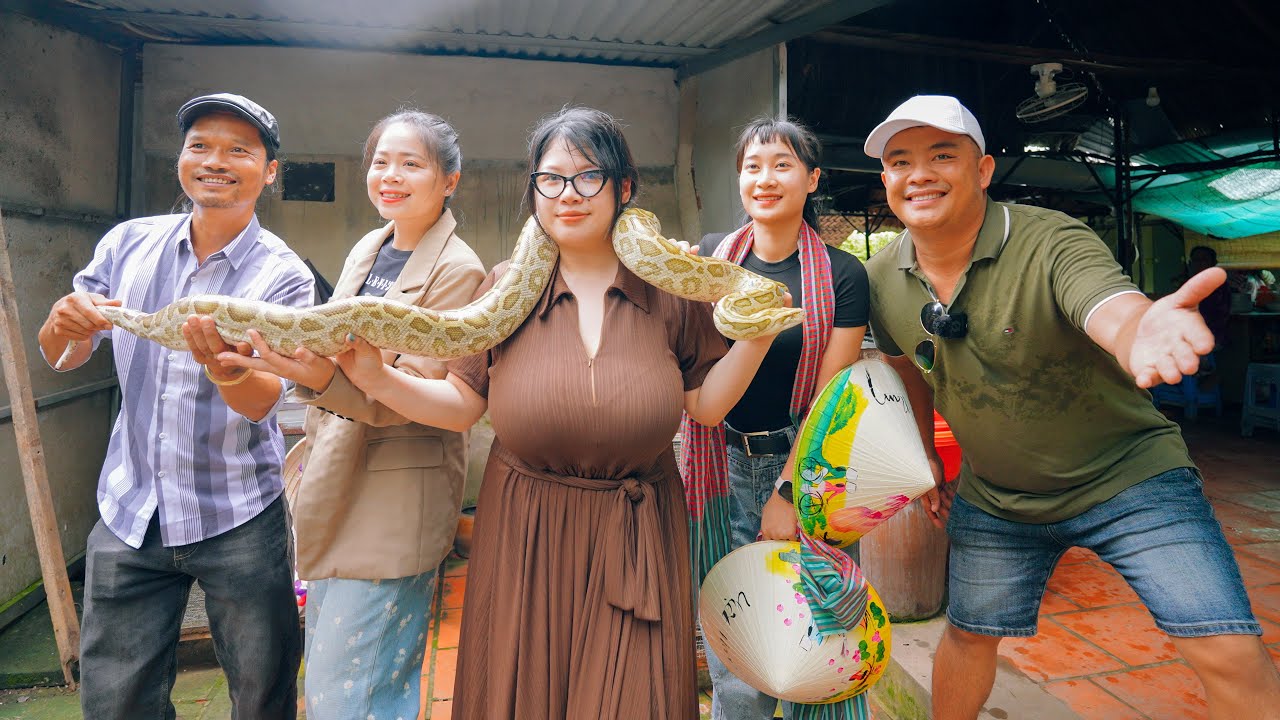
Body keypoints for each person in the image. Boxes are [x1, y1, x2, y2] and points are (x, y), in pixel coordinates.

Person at [330, 106, 779, 719]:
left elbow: (706, 406)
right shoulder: (504, 290)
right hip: (526, 533)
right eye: (551, 178)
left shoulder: (673, 291)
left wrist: (757, 335)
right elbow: (460, 405)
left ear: (624, 188)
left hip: (637, 534)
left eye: (589, 176)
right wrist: (375, 377)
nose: (568, 194)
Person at [860, 95, 1280, 720]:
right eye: (900, 162)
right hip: (997, 497)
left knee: (1227, 648)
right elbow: (906, 369)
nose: (918, 174)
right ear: (887, 179)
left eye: (942, 156)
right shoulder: (879, 278)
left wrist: (1138, 330)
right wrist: (928, 458)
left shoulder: (1051, 238)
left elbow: (1108, 306)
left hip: (1129, 479)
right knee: (968, 636)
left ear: (983, 170)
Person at [37, 93, 312, 719]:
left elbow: (263, 402)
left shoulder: (284, 276)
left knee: (262, 694)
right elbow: (64, 354)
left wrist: (226, 370)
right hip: (130, 509)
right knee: (116, 701)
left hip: (239, 513)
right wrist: (61, 322)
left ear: (269, 171)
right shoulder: (127, 245)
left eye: (238, 151)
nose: (216, 161)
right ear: (181, 159)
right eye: (200, 146)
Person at [217, 110, 484, 719]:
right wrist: (287, 358)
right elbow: (335, 352)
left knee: (355, 693)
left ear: (449, 180)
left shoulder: (458, 270)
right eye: (380, 162)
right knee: (335, 683)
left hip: (392, 500)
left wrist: (310, 373)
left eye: (411, 164)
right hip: (336, 479)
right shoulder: (372, 246)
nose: (390, 176)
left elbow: (418, 396)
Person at [681, 117, 870, 720]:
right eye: (752, 166)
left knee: (822, 635)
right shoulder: (713, 257)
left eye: (782, 164)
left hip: (807, 468)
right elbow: (687, 360)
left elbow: (830, 403)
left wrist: (789, 491)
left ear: (812, 179)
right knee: (738, 638)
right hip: (719, 462)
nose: (765, 178)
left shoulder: (842, 274)